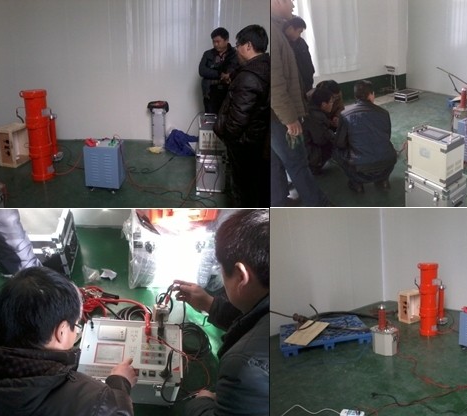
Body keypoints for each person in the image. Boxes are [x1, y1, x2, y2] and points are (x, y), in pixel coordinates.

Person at [0, 266, 138, 416]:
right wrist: (120, 383)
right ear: (61, 332)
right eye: (76, 325)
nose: (76, 330)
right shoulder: (95, 401)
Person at [180, 209, 269, 416]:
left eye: (221, 268)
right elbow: (252, 318)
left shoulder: (244, 367)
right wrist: (210, 304)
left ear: (241, 276)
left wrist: (201, 403)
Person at [270, 0, 330, 206]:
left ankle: (279, 201)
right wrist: (290, 119)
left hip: (273, 114)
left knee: (275, 162)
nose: (293, 6)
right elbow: (275, 82)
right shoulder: (272, 32)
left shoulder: (276, 30)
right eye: (290, 1)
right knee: (297, 163)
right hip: (279, 116)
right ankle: (318, 205)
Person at [213, 25, 270, 207]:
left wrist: (228, 138)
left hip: (245, 144)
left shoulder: (249, 78)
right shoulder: (266, 67)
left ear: (248, 46)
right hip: (258, 139)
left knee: (243, 188)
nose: (236, 49)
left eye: (238, 45)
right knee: (257, 185)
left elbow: (237, 121)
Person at [334, 80, 397, 193]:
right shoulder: (384, 113)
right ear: (371, 94)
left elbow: (340, 143)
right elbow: (387, 136)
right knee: (385, 146)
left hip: (359, 168)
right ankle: (383, 180)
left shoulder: (345, 114)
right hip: (386, 165)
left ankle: (356, 183)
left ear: (355, 96)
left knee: (336, 151)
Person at [198, 27, 238, 114]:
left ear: (226, 40)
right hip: (209, 93)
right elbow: (202, 70)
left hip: (228, 93)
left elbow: (234, 69)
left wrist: (228, 75)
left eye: (218, 41)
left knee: (227, 117)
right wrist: (220, 74)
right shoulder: (208, 54)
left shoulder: (235, 54)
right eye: (213, 42)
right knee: (210, 117)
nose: (215, 44)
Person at [302, 88, 337, 175]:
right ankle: (315, 166)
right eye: (331, 102)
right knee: (336, 142)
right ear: (324, 104)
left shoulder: (310, 110)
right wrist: (334, 135)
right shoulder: (317, 116)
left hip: (304, 151)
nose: (332, 104)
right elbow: (321, 139)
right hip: (309, 154)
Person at [283, 16, 315, 94]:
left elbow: (308, 61)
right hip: (294, 84)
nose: (299, 35)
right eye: (299, 31)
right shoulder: (284, 44)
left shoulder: (301, 42)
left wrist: (311, 72)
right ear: (290, 29)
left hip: (307, 81)